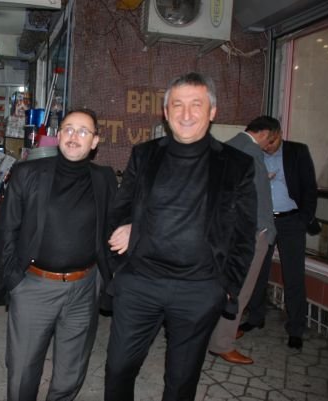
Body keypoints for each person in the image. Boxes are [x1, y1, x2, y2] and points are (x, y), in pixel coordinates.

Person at [104, 72, 257, 401]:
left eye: (196, 105)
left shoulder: (237, 164)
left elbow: (245, 235)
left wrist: (225, 288)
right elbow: (120, 210)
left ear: (212, 111)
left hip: (198, 291)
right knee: (118, 370)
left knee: (181, 382)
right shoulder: (144, 154)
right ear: (166, 111)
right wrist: (125, 246)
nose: (186, 114)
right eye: (177, 105)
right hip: (140, 284)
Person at [0, 108, 118, 401]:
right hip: (34, 287)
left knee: (70, 374)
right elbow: (6, 230)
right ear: (59, 135)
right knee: (23, 372)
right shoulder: (28, 173)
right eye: (69, 129)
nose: (74, 136)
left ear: (95, 141)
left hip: (84, 288)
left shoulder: (104, 178)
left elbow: (114, 222)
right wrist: (14, 280)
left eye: (84, 131)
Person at [240, 124, 317, 350]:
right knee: (257, 272)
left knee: (293, 275)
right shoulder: (254, 153)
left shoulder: (298, 151)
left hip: (291, 221)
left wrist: (304, 218)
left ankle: (296, 328)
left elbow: (310, 188)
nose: (268, 146)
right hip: (263, 220)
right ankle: (256, 317)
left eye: (272, 141)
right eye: (265, 142)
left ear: (280, 134)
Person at [208, 116, 278, 365]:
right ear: (266, 133)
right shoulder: (251, 151)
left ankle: (218, 331)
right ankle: (222, 343)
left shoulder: (228, 146)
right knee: (241, 289)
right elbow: (255, 200)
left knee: (225, 286)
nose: (271, 146)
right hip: (250, 234)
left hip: (229, 232)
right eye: (273, 140)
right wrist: (264, 231)